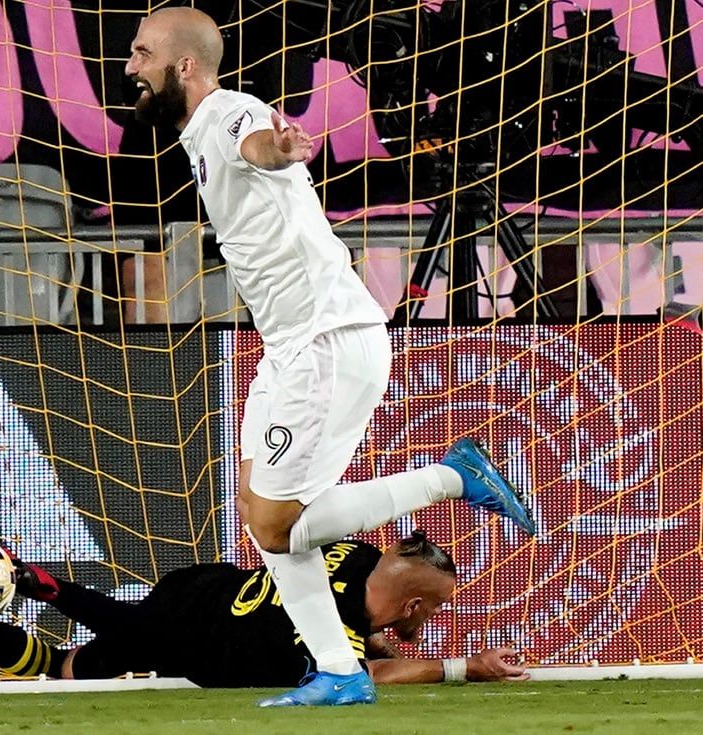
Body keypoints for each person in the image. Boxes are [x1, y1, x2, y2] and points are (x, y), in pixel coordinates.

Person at [121, 6, 537, 707]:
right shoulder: (198, 131)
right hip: (287, 349)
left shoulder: (229, 111)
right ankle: (340, 670)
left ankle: (450, 477)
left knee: (278, 523)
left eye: (140, 52)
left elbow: (256, 143)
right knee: (266, 520)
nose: (129, 66)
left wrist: (278, 148)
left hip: (327, 343)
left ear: (183, 65)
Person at [0, 532, 528, 688]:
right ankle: (13, 591)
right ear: (411, 603)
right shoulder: (343, 630)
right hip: (196, 636)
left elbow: (360, 630)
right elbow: (362, 671)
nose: (421, 630)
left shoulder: (352, 549)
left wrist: (382, 642)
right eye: (425, 615)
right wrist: (463, 666)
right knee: (64, 666)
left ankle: (6, 590)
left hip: (206, 586)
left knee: (117, 637)